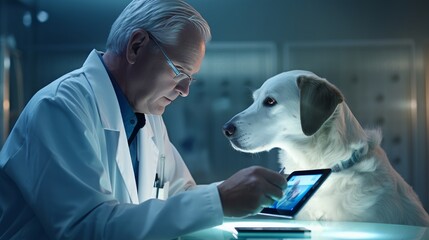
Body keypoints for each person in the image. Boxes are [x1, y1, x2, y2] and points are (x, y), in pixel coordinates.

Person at [0, 0, 287, 239]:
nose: (185, 91)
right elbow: (84, 229)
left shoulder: (147, 118)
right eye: (179, 71)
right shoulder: (61, 107)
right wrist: (220, 199)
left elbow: (179, 194)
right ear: (137, 46)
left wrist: (240, 198)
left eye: (190, 79)